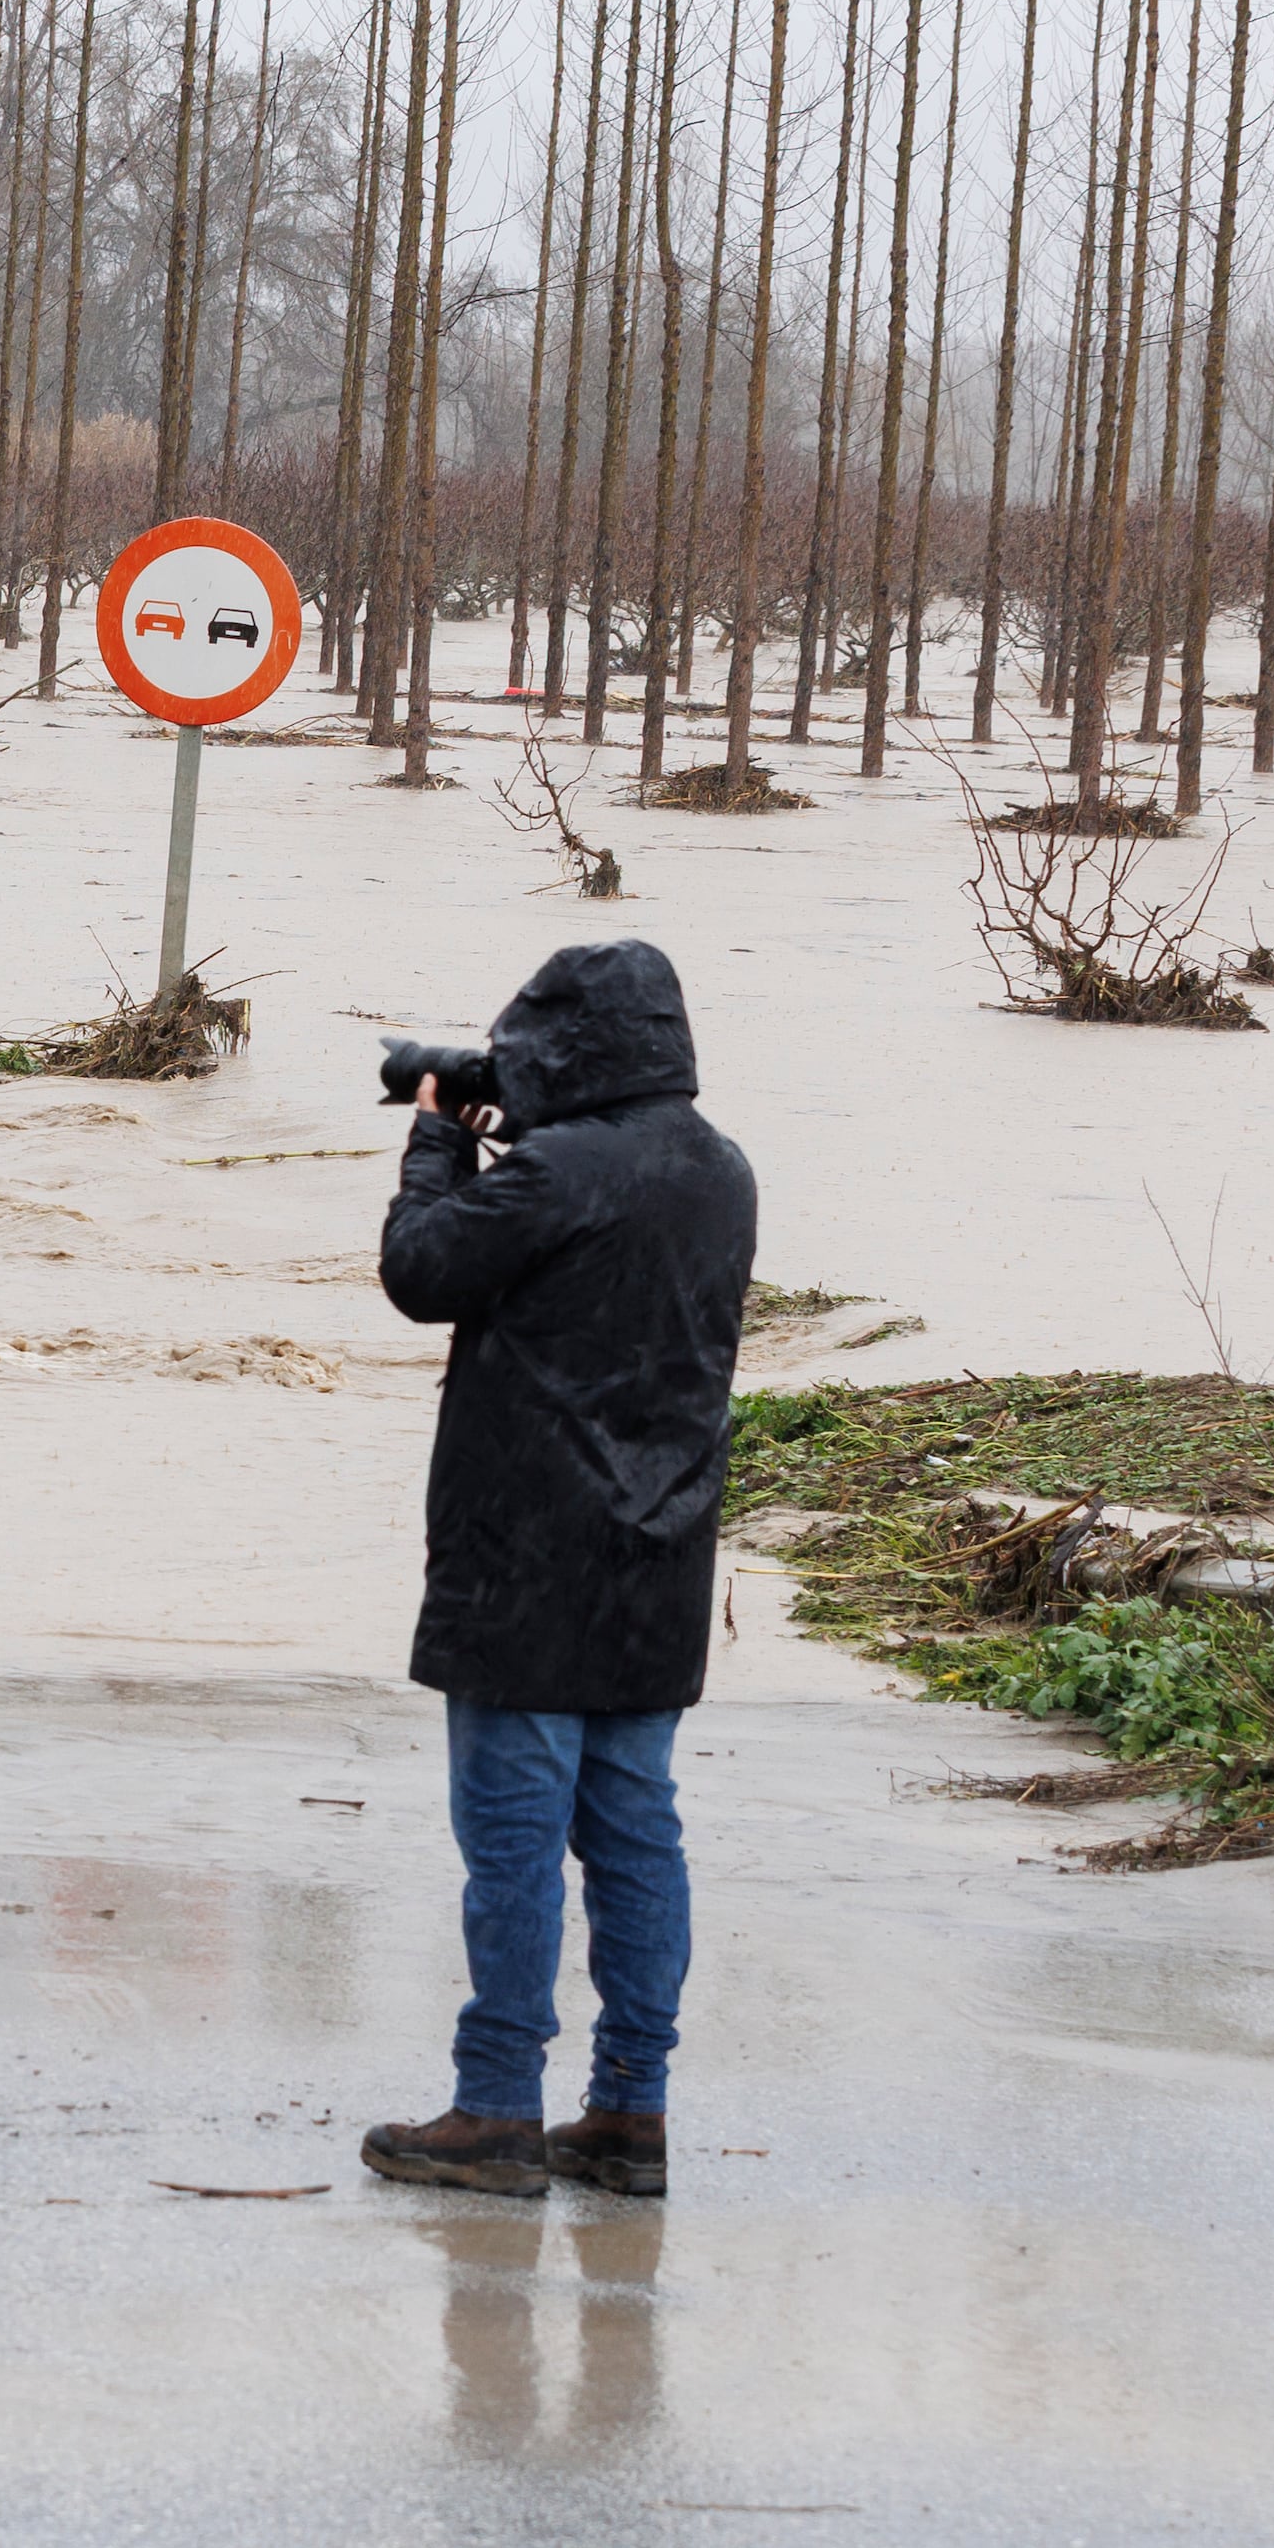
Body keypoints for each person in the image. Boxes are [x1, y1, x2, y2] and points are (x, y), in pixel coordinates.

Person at [356, 938, 756, 2203]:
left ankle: (493, 2110)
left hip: (523, 1555)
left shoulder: (555, 1172)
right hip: (660, 1552)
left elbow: (419, 1274)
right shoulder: (719, 1169)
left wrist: (435, 1143)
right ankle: (629, 2109)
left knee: (515, 1841)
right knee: (636, 1835)